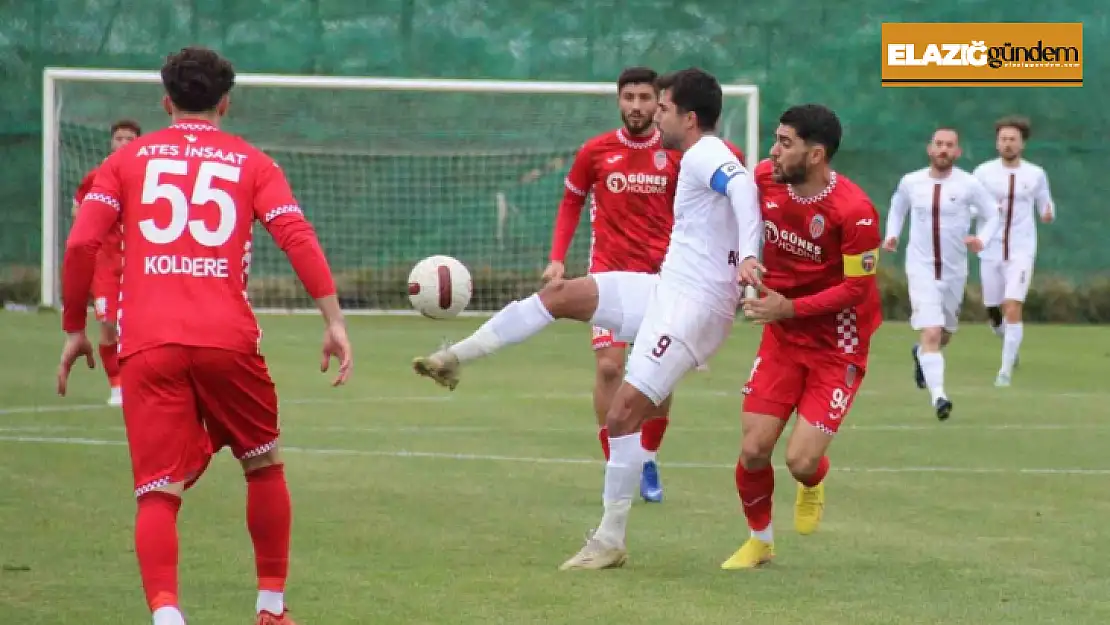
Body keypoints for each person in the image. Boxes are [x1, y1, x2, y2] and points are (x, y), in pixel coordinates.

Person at [411, 67, 762, 570]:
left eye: (662, 105)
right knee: (560, 295)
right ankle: (455, 356)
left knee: (621, 414)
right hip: (666, 291)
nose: (655, 112)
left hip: (692, 309)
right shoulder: (689, 154)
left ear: (688, 116)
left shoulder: (706, 151)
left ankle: (610, 539)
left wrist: (750, 256)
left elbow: (744, 191)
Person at [56, 46, 353, 625]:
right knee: (263, 463)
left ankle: (167, 615)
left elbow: (79, 246)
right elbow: (296, 237)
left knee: (157, 491)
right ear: (226, 102)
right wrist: (333, 320)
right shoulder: (253, 162)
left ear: (166, 101)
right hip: (228, 339)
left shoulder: (124, 162)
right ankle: (270, 608)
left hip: (148, 344)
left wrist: (74, 328)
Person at [543, 66, 745, 503]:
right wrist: (557, 259)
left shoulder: (680, 151)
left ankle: (648, 457)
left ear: (660, 104)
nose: (636, 106)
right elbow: (571, 202)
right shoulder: (595, 151)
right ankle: (617, 460)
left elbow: (728, 166)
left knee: (656, 377)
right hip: (609, 274)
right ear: (619, 101)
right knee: (610, 368)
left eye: (645, 98)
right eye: (628, 97)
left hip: (664, 279)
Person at [723, 104, 882, 569]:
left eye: (785, 143)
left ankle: (813, 483)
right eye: (775, 139)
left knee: (800, 462)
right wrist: (746, 261)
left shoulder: (855, 212)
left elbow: (857, 290)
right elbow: (741, 226)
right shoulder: (765, 180)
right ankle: (759, 542)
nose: (773, 151)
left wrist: (787, 307)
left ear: (815, 155)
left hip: (838, 346)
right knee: (753, 448)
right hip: (782, 337)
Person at [883, 128, 999, 420]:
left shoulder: (969, 184)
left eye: (950, 145)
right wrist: (892, 235)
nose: (944, 150)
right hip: (920, 267)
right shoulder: (912, 182)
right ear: (930, 149)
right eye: (939, 144)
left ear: (958, 152)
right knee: (932, 332)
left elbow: (993, 213)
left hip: (954, 270)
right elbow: (898, 207)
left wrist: (981, 239)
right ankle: (940, 398)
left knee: (943, 334)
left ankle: (920, 354)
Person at [973, 115, 1056, 387]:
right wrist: (982, 212)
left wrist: (1047, 212)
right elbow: (970, 206)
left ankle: (1004, 371)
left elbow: (1046, 204)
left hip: (1021, 249)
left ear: (1022, 144)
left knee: (1013, 305)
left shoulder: (1035, 174)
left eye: (1013, 139)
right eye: (1003, 139)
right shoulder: (983, 173)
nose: (1008, 144)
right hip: (991, 248)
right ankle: (1008, 339)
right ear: (997, 144)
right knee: (993, 309)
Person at [72, 118, 142, 406]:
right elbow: (78, 209)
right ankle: (117, 386)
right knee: (109, 324)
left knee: (139, 327)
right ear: (111, 142)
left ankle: (140, 383)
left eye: (130, 139)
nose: (124, 144)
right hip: (107, 265)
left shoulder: (148, 174)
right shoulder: (97, 176)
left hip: (140, 263)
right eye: (119, 138)